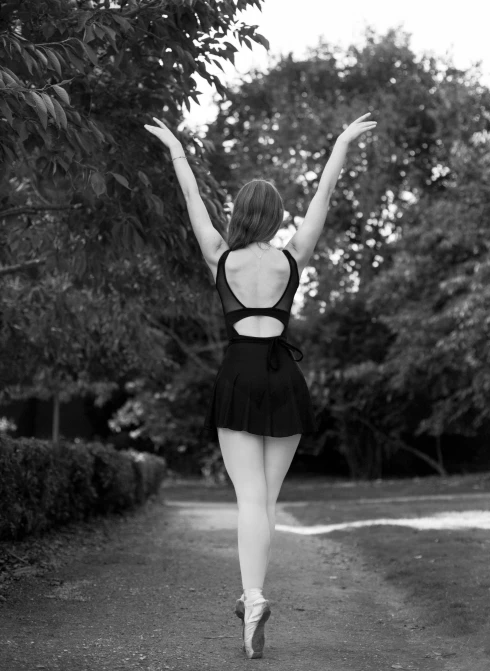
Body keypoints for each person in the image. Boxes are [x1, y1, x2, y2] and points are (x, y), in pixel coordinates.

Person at [144, 111, 377, 658]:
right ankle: (250, 596)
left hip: (239, 374)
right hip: (284, 378)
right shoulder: (292, 259)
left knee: (250, 499)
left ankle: (253, 597)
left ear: (239, 216)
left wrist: (177, 152)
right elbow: (323, 197)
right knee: (266, 501)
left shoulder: (221, 259)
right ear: (273, 219)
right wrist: (340, 142)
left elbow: (192, 205)